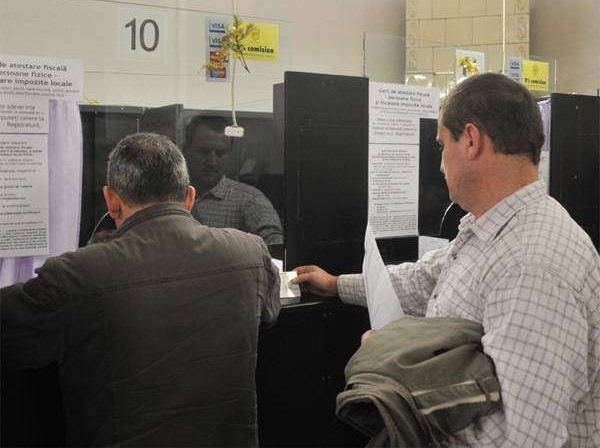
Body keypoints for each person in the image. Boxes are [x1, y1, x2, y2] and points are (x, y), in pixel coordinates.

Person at [292, 73, 600, 447]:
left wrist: (396, 370)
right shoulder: (496, 228)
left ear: (470, 140)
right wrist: (336, 284)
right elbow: (425, 279)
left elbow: (524, 438)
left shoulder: (532, 265)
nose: (440, 165)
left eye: (442, 145)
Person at [1, 132, 280, 447]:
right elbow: (270, 313)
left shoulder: (77, 275)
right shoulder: (250, 252)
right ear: (189, 198)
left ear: (112, 201)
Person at [183, 115, 283, 246]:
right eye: (204, 152)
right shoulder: (169, 196)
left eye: (220, 153)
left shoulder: (249, 201)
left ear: (230, 155)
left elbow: (275, 247)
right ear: (185, 151)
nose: (212, 161)